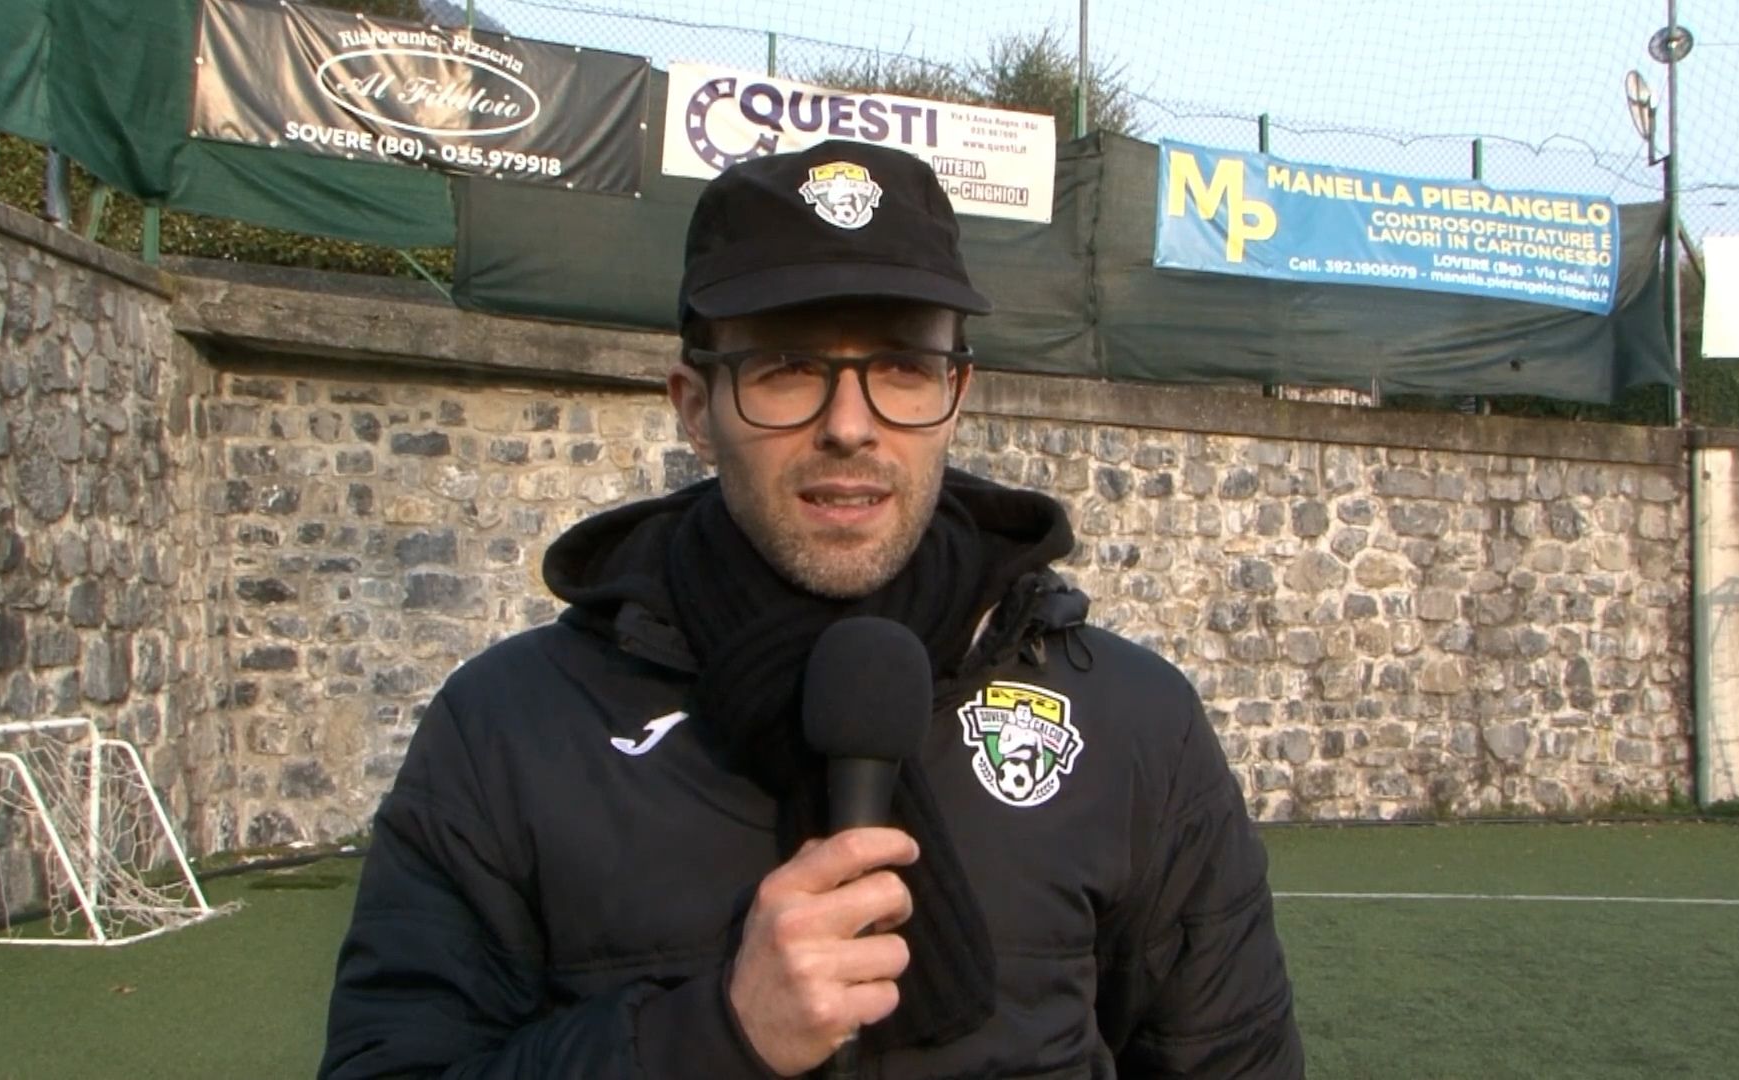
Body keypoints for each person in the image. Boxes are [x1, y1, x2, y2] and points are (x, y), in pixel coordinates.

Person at [320, 139, 1303, 1078]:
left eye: (902, 367)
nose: (849, 426)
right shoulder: (509, 728)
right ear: (695, 406)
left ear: (957, 393)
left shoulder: (1134, 722)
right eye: (788, 368)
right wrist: (711, 1039)